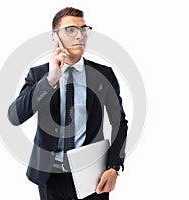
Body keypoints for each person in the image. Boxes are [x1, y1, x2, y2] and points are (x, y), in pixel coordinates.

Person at [8, 7, 128, 200]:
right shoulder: (39, 74)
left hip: (93, 176)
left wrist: (114, 167)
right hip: (50, 177)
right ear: (55, 36)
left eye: (83, 29)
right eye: (71, 30)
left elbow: (120, 123)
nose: (79, 35)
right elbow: (15, 116)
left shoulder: (104, 75)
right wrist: (50, 79)